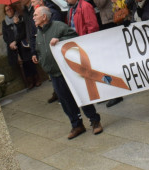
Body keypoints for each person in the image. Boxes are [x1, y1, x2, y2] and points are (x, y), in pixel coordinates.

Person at [31, 7, 103, 139]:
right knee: (65, 101)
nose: (33, 17)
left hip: (67, 70)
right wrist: (40, 58)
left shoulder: (59, 26)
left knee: (80, 96)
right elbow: (39, 49)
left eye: (35, 15)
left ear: (44, 17)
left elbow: (74, 38)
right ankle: (77, 125)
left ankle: (94, 121)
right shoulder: (39, 32)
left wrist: (60, 39)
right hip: (54, 73)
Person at [2, 3, 39, 88]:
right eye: (7, 10)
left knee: (29, 61)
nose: (9, 11)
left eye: (10, 9)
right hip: (13, 46)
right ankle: (29, 82)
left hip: (23, 44)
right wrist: (11, 43)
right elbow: (5, 36)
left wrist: (17, 23)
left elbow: (23, 32)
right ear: (5, 12)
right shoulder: (5, 22)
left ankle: (36, 79)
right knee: (23, 64)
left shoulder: (20, 17)